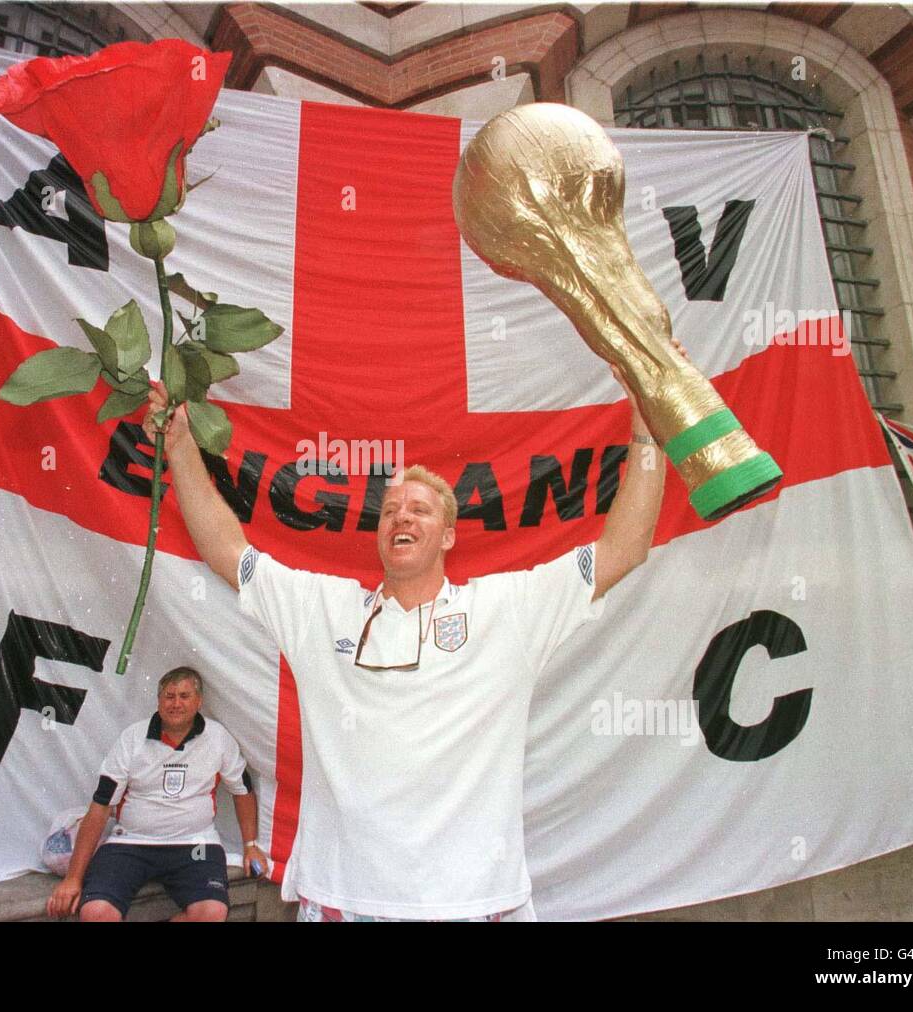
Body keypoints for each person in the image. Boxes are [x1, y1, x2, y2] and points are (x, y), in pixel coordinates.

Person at [144, 342, 686, 921]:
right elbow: (228, 552)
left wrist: (648, 431)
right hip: (343, 902)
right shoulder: (321, 608)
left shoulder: (508, 608)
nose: (401, 516)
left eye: (420, 509)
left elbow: (623, 549)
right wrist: (179, 446)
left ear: (449, 535)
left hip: (475, 904)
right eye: (390, 510)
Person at [47, 666, 269, 922]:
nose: (176, 703)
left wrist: (250, 846)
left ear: (199, 701)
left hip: (195, 844)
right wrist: (73, 879)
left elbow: (242, 791)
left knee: (211, 913)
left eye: (184, 696)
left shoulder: (217, 738)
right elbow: (101, 805)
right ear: (159, 700)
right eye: (169, 696)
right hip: (130, 843)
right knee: (95, 912)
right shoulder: (132, 738)